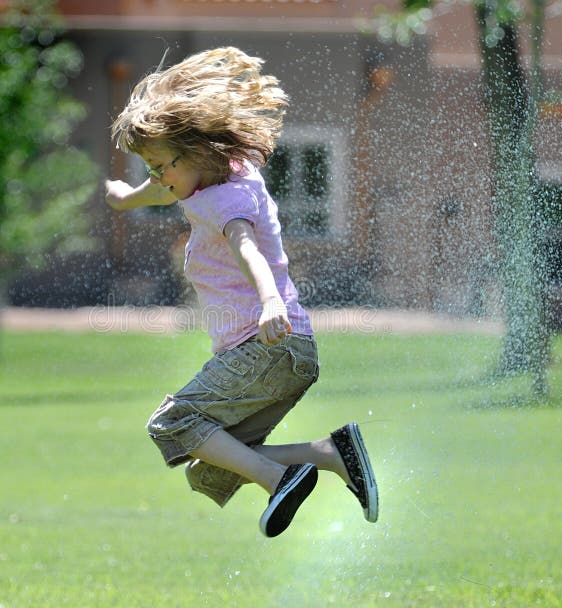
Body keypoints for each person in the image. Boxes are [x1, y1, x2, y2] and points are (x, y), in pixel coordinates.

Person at [105, 47, 377, 537]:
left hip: (266, 345)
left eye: (160, 166)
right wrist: (128, 197)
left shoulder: (224, 201)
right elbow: (164, 188)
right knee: (208, 470)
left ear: (196, 155)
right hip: (290, 351)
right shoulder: (224, 173)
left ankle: (281, 480)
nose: (157, 177)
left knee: (171, 423)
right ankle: (328, 455)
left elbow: (248, 249)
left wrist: (271, 301)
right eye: (149, 167)